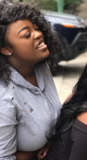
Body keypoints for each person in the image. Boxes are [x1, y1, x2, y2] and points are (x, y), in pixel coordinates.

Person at [0, 1, 63, 159]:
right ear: (6, 49)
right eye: (27, 34)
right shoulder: (5, 98)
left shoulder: (40, 66)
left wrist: (47, 141)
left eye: (36, 28)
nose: (38, 34)